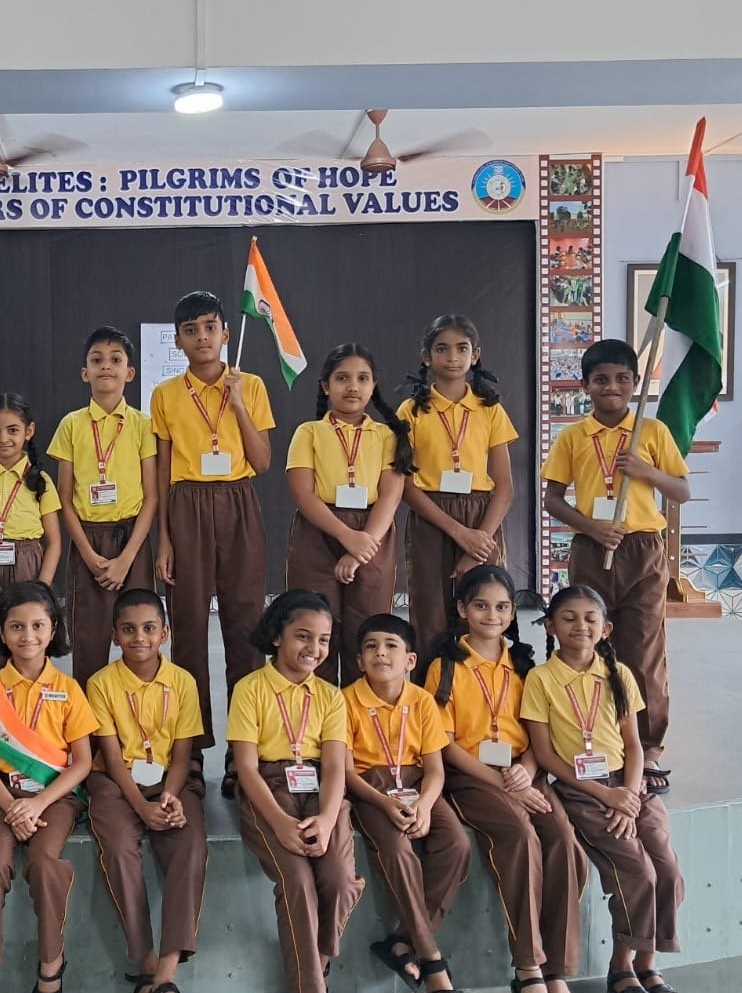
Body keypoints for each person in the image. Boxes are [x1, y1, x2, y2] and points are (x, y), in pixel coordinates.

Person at [423, 565, 587, 993]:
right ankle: (528, 969)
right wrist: (500, 781)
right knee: (519, 836)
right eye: (480, 606)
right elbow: (443, 742)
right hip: (473, 776)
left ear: (513, 613)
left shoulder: (525, 664)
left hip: (522, 771)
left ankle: (557, 969)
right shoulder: (445, 666)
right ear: (462, 609)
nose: (491, 615)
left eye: (500, 607)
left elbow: (538, 732)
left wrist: (527, 771)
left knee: (562, 838)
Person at [525, 585, 686, 993]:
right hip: (583, 790)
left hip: (629, 786)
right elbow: (545, 755)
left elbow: (634, 745)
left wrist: (628, 795)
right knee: (637, 870)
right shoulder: (540, 679)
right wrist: (605, 795)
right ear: (550, 627)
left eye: (590, 618)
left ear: (606, 628)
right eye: (568, 618)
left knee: (667, 869)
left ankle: (649, 963)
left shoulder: (620, 675)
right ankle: (622, 966)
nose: (580, 626)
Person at [227, 590, 363, 993]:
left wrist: (326, 819)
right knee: (298, 883)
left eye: (323, 640)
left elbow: (335, 768)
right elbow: (246, 768)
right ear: (277, 635)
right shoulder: (250, 689)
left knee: (341, 880)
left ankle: (317, 960)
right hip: (269, 790)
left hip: (320, 793)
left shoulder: (330, 696)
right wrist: (281, 824)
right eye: (303, 636)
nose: (314, 649)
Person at [541, 338, 690, 791]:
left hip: (642, 548)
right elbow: (552, 499)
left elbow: (681, 490)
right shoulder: (573, 437)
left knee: (642, 648)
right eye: (601, 379)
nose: (612, 387)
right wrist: (591, 527)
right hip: (593, 548)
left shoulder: (652, 432)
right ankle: (593, 737)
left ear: (635, 383)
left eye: (622, 379)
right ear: (585, 385)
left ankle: (648, 748)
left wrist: (648, 473)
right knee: (587, 644)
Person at [0, 581, 96, 993]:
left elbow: (82, 762)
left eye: (38, 625)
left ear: (53, 630)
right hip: (1, 798)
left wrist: (37, 804)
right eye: (16, 626)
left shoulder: (69, 690)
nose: (28, 635)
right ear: (1, 632)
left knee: (45, 864)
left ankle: (51, 963)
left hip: (54, 798)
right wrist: (12, 806)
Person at [152, 290, 275, 797]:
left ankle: (241, 755)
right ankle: (192, 754)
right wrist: (164, 539)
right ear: (178, 341)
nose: (201, 337)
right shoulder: (165, 394)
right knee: (187, 633)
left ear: (225, 332)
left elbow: (262, 462)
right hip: (186, 505)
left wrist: (238, 403)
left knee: (245, 628)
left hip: (238, 501)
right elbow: (162, 473)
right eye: (191, 330)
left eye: (209, 327)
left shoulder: (252, 384)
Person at [84, 589, 206, 993]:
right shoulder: (101, 683)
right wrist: (141, 805)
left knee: (190, 846)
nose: (140, 638)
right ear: (115, 636)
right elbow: (112, 758)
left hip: (170, 781)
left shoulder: (183, 682)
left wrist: (169, 798)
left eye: (150, 628)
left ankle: (166, 976)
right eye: (129, 629)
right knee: (119, 848)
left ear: (165, 633)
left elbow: (182, 755)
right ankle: (147, 962)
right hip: (116, 784)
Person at [340, 613, 470, 993]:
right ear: (359, 661)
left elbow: (435, 770)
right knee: (398, 850)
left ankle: (402, 941)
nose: (381, 654)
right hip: (371, 788)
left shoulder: (422, 701)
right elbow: (346, 773)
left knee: (457, 844)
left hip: (416, 786)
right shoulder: (345, 701)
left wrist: (426, 806)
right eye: (371, 647)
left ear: (410, 660)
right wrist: (383, 804)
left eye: (391, 646)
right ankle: (431, 958)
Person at [285, 343, 413, 685]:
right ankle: (315, 710)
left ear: (374, 386)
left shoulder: (387, 435)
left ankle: (362, 712)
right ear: (326, 386)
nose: (352, 386)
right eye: (342, 378)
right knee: (313, 626)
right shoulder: (308, 432)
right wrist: (346, 536)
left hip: (373, 535)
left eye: (362, 378)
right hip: (318, 532)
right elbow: (303, 494)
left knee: (367, 629)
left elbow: (391, 496)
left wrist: (360, 548)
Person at [395, 315, 517, 653]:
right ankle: (433, 684)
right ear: (426, 357)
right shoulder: (410, 411)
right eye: (442, 349)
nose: (452, 357)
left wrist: (479, 540)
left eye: (462, 349)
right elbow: (405, 485)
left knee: (482, 610)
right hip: (431, 516)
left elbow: (505, 487)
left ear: (475, 355)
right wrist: (459, 533)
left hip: (482, 518)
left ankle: (482, 682)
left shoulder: (490, 410)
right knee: (429, 614)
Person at [48, 326, 159, 684]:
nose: (106, 366)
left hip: (132, 540)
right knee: (89, 640)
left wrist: (126, 558)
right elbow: (64, 497)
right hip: (88, 541)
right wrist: (88, 554)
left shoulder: (143, 424)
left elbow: (152, 496)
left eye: (115, 360)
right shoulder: (71, 425)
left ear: (130, 372)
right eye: (97, 360)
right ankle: (88, 720)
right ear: (85, 373)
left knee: (141, 638)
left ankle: (138, 711)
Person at [0, 393, 63, 683]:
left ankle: (27, 702)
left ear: (29, 431)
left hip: (27, 562)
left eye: (13, 430)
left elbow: (54, 542)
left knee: (26, 637)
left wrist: (43, 587)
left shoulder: (40, 481)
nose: (3, 438)